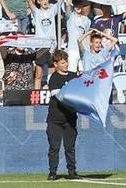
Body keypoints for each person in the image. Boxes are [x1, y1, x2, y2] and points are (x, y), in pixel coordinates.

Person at [45, 50, 81, 180]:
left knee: (70, 147)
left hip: (70, 119)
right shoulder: (53, 78)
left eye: (66, 62)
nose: (66, 64)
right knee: (54, 148)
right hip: (55, 119)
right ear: (56, 64)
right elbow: (60, 97)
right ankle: (52, 173)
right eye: (63, 62)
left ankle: (72, 172)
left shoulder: (74, 76)